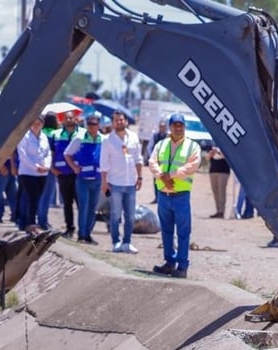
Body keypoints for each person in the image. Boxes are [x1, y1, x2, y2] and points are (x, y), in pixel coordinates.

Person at [149, 113, 202, 278]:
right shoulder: (161, 145)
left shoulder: (192, 146)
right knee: (166, 231)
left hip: (181, 195)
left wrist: (170, 176)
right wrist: (161, 175)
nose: (178, 128)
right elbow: (152, 162)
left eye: (181, 125)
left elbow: (192, 165)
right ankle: (169, 262)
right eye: (175, 125)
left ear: (184, 127)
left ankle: (182, 266)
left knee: (183, 232)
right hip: (163, 195)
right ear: (170, 127)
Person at [99, 110, 143, 253]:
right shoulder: (107, 140)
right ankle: (116, 242)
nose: (119, 122)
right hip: (115, 183)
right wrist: (104, 182)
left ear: (126, 121)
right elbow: (103, 162)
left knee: (130, 216)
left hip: (130, 182)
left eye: (121, 120)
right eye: (116, 120)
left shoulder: (133, 137)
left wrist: (140, 177)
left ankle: (127, 242)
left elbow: (138, 158)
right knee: (115, 215)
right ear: (113, 123)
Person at [65, 114, 104, 244]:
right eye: (90, 124)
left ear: (98, 125)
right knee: (83, 207)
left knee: (93, 208)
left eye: (94, 124)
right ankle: (81, 235)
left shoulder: (103, 139)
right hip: (83, 179)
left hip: (97, 178)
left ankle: (88, 234)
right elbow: (67, 154)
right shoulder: (79, 138)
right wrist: (74, 167)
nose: (92, 127)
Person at [16, 115, 52, 233]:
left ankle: (30, 222)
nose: (36, 126)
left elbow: (47, 153)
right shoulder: (25, 137)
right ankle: (31, 223)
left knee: (37, 199)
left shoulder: (44, 137)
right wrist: (36, 167)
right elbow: (23, 155)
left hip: (42, 174)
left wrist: (47, 166)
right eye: (34, 123)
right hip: (27, 172)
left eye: (39, 124)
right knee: (32, 197)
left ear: (42, 124)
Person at [51, 112, 81, 238]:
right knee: (67, 203)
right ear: (63, 120)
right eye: (67, 118)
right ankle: (69, 228)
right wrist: (52, 167)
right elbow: (52, 152)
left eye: (71, 118)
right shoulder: (56, 134)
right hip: (62, 173)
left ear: (75, 119)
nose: (69, 120)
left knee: (81, 203)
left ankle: (83, 230)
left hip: (77, 174)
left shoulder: (82, 134)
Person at [207, 144, 230, 218]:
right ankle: (218, 210)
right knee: (215, 191)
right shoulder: (211, 146)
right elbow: (207, 158)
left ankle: (221, 211)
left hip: (223, 171)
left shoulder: (226, 145)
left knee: (221, 191)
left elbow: (228, 157)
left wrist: (218, 152)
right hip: (213, 171)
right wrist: (211, 153)